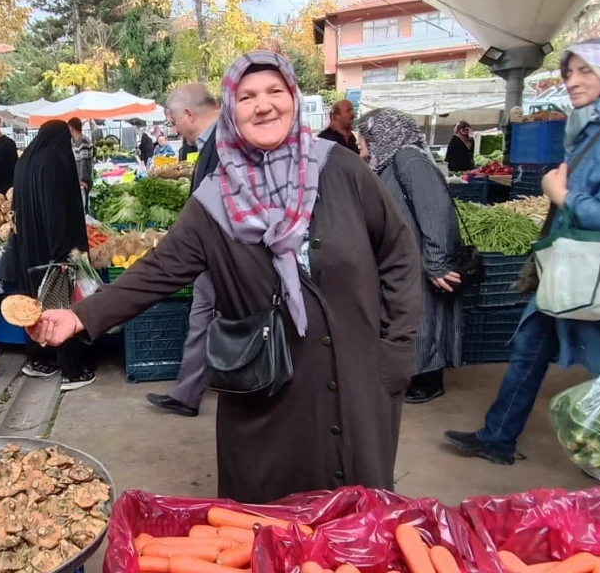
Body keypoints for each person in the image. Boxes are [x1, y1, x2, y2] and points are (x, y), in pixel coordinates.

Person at [26, 52, 422, 502]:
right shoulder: (214, 201)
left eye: (275, 91)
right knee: (270, 524)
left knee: (358, 524)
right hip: (270, 388)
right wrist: (79, 316)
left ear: (293, 98)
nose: (264, 105)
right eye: (248, 96)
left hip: (358, 381)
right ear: (232, 110)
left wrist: (396, 351)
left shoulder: (341, 169)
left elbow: (398, 254)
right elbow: (159, 269)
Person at [445, 38, 600, 465]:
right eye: (568, 73)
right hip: (575, 264)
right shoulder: (596, 124)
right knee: (531, 343)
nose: (572, 82)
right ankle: (498, 437)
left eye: (585, 72)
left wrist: (561, 195)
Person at [357, 108, 463, 404]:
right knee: (412, 315)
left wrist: (437, 262)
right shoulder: (390, 163)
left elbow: (436, 211)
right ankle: (415, 373)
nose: (361, 145)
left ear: (382, 135)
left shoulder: (409, 159)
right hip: (406, 258)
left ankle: (428, 380)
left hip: (422, 257)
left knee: (426, 317)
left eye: (365, 138)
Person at [147, 83, 221, 418]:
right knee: (201, 317)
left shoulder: (227, 142)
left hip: (228, 257)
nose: (174, 127)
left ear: (190, 113)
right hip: (212, 256)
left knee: (223, 320)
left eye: (175, 120)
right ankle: (187, 393)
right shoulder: (210, 143)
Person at [6, 121, 96, 392]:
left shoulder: (24, 163)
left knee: (33, 307)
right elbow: (60, 213)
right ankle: (72, 371)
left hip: (28, 249)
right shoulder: (56, 161)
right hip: (54, 250)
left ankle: (39, 361)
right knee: (61, 307)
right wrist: (67, 255)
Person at [67, 117, 94, 211]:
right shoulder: (78, 142)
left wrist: (81, 181)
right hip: (81, 181)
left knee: (84, 208)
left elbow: (84, 163)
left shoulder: (83, 142)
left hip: (84, 181)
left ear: (71, 128)